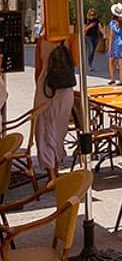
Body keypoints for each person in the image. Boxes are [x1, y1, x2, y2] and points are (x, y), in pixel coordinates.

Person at [34, 29, 78, 178]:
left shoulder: (41, 40)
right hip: (64, 89)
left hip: (45, 88)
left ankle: (51, 173)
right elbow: (75, 62)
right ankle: (55, 170)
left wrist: (39, 87)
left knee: (44, 130)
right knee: (59, 130)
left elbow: (38, 69)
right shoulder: (71, 38)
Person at [107, 3, 122, 84]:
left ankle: (112, 78)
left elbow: (111, 35)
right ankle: (121, 80)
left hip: (115, 43)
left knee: (111, 61)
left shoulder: (112, 23)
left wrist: (109, 47)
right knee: (121, 63)